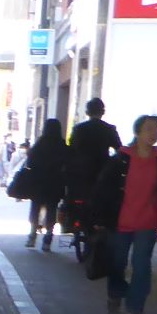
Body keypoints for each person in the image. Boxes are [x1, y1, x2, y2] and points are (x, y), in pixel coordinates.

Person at [89, 114, 157, 314]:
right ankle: (116, 293)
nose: (154, 134)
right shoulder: (121, 159)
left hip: (147, 222)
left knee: (142, 264)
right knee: (117, 262)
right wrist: (99, 218)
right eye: (149, 129)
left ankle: (136, 304)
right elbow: (103, 189)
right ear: (137, 132)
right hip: (120, 222)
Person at [64, 97, 121, 248]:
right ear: (103, 112)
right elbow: (119, 150)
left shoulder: (79, 129)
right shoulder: (109, 129)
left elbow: (72, 148)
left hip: (81, 173)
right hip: (102, 172)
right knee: (104, 200)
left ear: (87, 112)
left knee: (74, 197)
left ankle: (72, 223)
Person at [17, 119, 69, 248]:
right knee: (52, 209)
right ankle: (48, 238)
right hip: (55, 183)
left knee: (35, 209)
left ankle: (32, 236)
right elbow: (68, 162)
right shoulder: (62, 145)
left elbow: (30, 161)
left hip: (38, 183)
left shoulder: (40, 144)